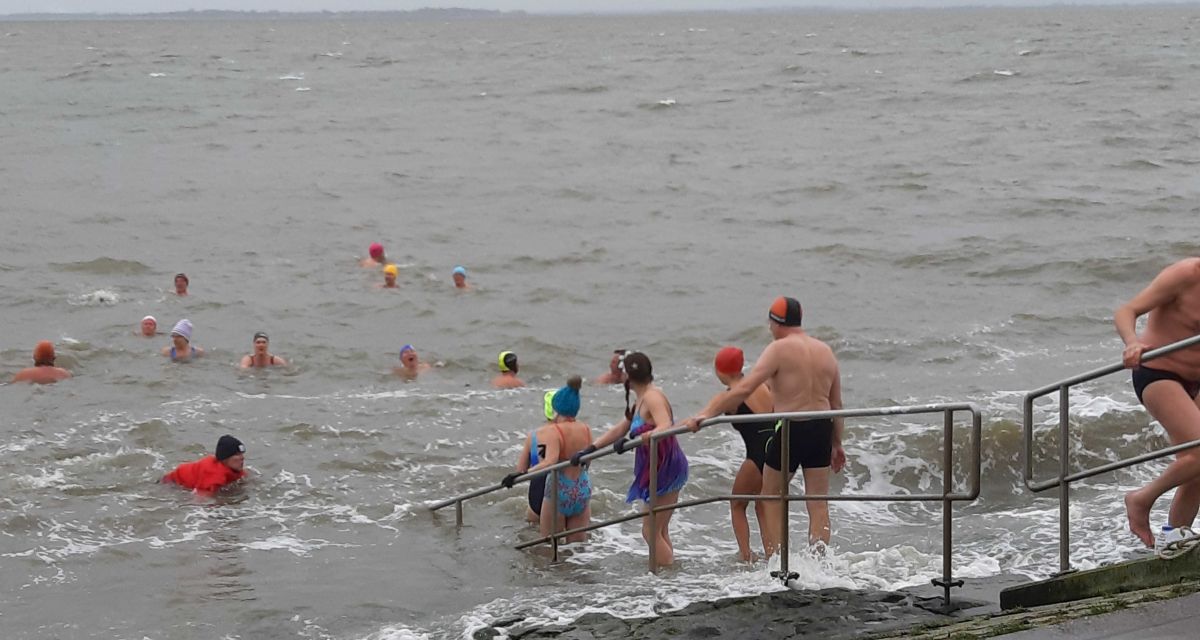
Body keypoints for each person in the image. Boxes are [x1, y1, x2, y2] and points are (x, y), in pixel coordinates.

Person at [685, 297, 846, 555]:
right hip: (822, 427)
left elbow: (744, 388)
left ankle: (778, 562)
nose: (770, 328)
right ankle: (819, 561)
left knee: (770, 495)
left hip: (792, 427)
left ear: (776, 322)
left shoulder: (779, 349)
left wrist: (704, 415)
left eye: (770, 323)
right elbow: (836, 403)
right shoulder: (825, 351)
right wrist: (837, 443)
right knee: (817, 500)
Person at [1116, 257, 1200, 548]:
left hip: (1196, 379)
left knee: (1195, 466)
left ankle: (1175, 540)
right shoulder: (1186, 274)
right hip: (1158, 372)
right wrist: (1131, 342)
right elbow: (1127, 310)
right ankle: (1140, 499)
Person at [574, 352, 687, 568]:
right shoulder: (641, 398)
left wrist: (646, 435)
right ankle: (667, 575)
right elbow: (621, 428)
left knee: (650, 531)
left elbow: (665, 425)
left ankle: (669, 579)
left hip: (665, 465)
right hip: (656, 466)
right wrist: (591, 448)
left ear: (628, 377)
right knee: (659, 529)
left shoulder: (653, 397)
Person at [703, 346, 774, 562]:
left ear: (720, 371)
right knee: (762, 505)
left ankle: (746, 556)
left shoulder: (732, 396)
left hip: (757, 453)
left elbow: (703, 416)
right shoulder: (762, 386)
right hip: (776, 447)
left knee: (737, 504)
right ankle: (773, 554)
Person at [503, 376, 594, 542]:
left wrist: (517, 475)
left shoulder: (554, 431)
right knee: (578, 547)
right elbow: (588, 461)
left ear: (556, 408)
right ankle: (580, 568)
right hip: (582, 487)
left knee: (550, 545)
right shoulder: (586, 429)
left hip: (559, 490)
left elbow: (549, 462)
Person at [161, 435, 247, 494]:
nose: (242, 458)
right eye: (237, 454)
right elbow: (202, 501)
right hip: (170, 483)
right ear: (225, 458)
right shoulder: (214, 476)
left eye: (242, 454)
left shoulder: (233, 467)